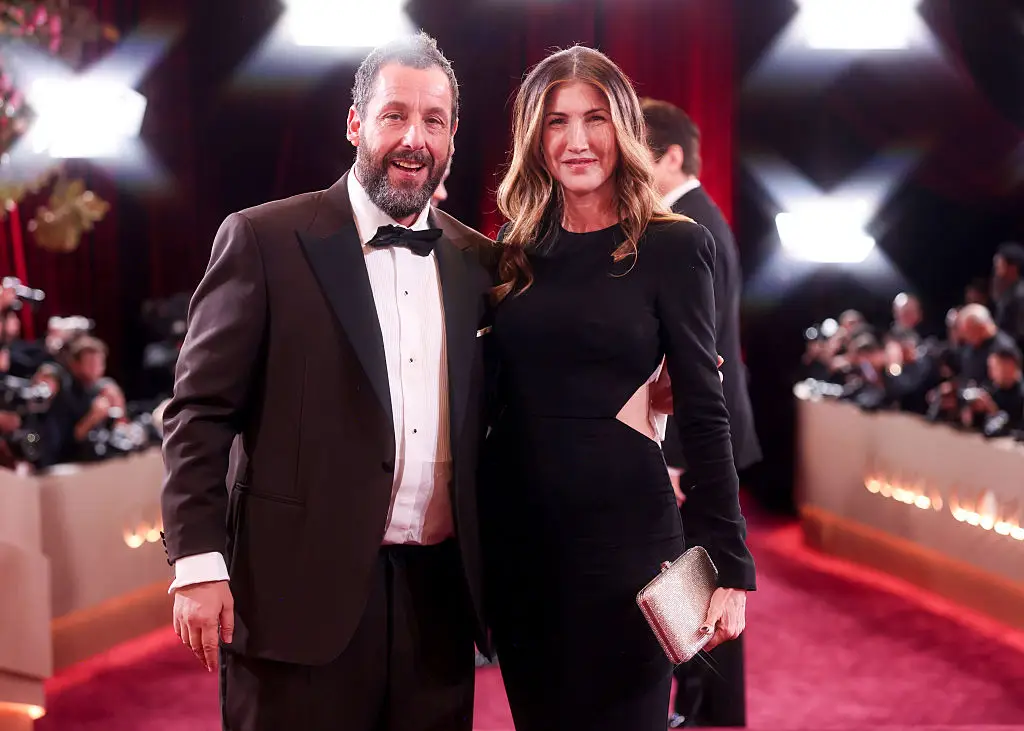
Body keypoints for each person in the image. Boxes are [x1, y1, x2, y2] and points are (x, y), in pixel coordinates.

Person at [160, 32, 493, 731]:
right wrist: (196, 558)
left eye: (433, 121)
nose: (414, 138)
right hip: (293, 594)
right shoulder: (263, 239)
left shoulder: (480, 263)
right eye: (394, 114)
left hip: (439, 602)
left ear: (453, 138)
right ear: (355, 123)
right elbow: (198, 413)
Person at [479, 46, 755, 731]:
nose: (576, 140)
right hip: (524, 547)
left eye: (595, 118)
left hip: (630, 548)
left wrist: (730, 566)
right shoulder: (514, 246)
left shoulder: (675, 245)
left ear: (624, 126)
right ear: (534, 137)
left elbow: (706, 406)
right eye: (556, 121)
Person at [642, 97, 761, 728]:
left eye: (642, 150)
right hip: (703, 437)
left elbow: (700, 359)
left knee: (704, 600)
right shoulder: (696, 217)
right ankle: (708, 712)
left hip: (698, 445)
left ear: (672, 157)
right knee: (698, 595)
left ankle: (710, 717)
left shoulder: (693, 227)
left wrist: (680, 460)